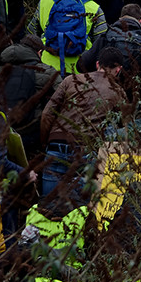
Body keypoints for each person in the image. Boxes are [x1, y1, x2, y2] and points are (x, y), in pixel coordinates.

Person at [38, 47, 129, 205]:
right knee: (76, 210)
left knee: (48, 206)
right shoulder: (118, 92)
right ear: (118, 70)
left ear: (97, 64)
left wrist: (47, 142)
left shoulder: (70, 80)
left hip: (56, 146)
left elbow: (47, 114)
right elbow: (123, 130)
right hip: (85, 151)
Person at [33, 0, 105, 73]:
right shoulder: (93, 7)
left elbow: (31, 32)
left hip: (48, 66)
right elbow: (101, 41)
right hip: (79, 69)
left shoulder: (45, 1)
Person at [0, 41, 59, 163]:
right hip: (33, 132)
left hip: (3, 131)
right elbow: (62, 97)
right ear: (39, 52)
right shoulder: (46, 71)